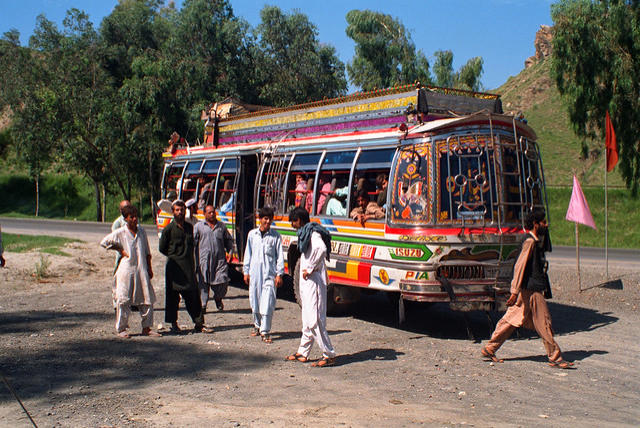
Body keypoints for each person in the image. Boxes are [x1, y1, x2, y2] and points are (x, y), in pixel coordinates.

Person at [480, 209, 574, 369]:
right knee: (544, 323)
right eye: (543, 222)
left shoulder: (535, 241)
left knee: (511, 320)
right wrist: (514, 291)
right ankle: (555, 357)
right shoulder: (529, 241)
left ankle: (490, 348)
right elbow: (520, 266)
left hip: (528, 290)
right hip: (531, 290)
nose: (546, 224)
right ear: (536, 224)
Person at [100, 205, 161, 338]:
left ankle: (147, 327)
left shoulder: (141, 231)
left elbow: (147, 251)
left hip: (141, 268)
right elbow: (104, 242)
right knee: (123, 298)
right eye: (131, 217)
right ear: (126, 218)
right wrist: (119, 249)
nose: (134, 219)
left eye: (135, 216)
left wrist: (149, 268)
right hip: (127, 269)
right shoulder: (121, 232)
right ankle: (122, 328)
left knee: (147, 298)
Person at [286, 207, 336, 367]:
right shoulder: (305, 234)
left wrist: (311, 268)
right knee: (307, 320)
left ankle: (328, 353)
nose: (293, 225)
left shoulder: (313, 234)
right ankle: (303, 351)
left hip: (314, 282)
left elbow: (321, 249)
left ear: (299, 220)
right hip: (307, 283)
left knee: (314, 319)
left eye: (293, 221)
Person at [159, 199, 211, 333]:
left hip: (188, 267)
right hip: (174, 268)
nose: (180, 212)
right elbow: (162, 248)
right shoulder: (168, 230)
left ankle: (199, 323)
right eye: (177, 210)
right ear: (173, 212)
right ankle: (173, 324)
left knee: (193, 296)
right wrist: (175, 256)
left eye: (182, 210)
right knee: (172, 297)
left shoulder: (189, 227)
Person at [242, 206, 284, 343]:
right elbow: (248, 254)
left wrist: (279, 274)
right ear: (260, 219)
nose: (267, 222)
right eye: (265, 219)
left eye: (270, 219)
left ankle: (265, 331)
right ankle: (257, 325)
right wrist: (246, 271)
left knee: (268, 303)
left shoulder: (275, 236)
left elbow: (279, 257)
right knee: (255, 300)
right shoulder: (252, 235)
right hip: (254, 273)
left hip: (269, 275)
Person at [194, 205, 233, 313]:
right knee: (203, 284)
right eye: (209, 212)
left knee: (223, 281)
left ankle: (218, 298)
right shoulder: (199, 227)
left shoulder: (221, 226)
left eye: (213, 212)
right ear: (204, 214)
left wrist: (230, 252)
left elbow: (228, 240)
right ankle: (203, 305)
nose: (212, 214)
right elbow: (193, 244)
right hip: (204, 261)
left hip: (220, 261)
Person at [110, 200, 132, 309]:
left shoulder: (133, 221)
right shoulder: (117, 223)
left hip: (132, 256)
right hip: (121, 256)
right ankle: (116, 301)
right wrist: (122, 252)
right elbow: (113, 241)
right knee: (118, 278)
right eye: (125, 208)